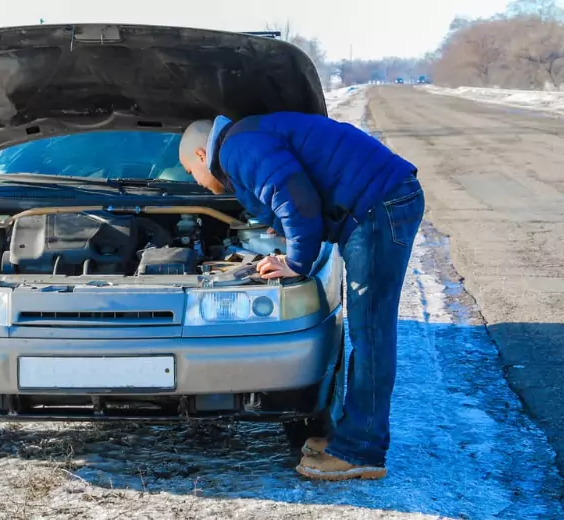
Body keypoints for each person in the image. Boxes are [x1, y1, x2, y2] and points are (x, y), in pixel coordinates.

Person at [179, 113, 424, 481]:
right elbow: (289, 196)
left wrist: (297, 261)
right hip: (380, 202)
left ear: (202, 155)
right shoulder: (244, 140)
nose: (195, 183)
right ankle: (353, 439)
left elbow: (295, 197)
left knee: (370, 332)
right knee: (368, 331)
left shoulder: (237, 148)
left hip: (378, 206)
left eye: (190, 173)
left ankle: (361, 452)